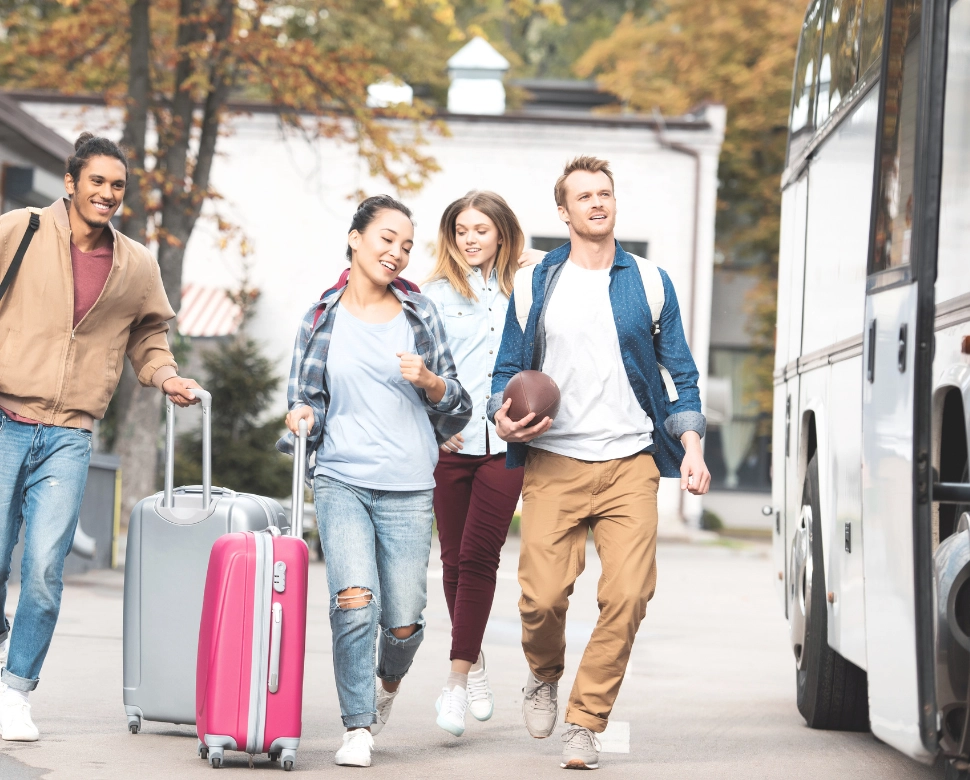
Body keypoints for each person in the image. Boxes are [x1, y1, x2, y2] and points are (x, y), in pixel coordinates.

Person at [487, 155, 711, 770]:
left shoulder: (651, 281)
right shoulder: (535, 283)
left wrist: (690, 446)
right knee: (541, 599)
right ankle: (543, 673)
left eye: (605, 193)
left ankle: (586, 720)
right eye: (583, 196)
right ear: (563, 211)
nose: (596, 203)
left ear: (614, 203)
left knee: (631, 593)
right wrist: (500, 416)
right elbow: (506, 371)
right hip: (554, 460)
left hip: (630, 461)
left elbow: (682, 376)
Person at [0, 133, 201, 742]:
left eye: (117, 185)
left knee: (42, 570)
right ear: (70, 181)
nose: (108, 194)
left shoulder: (134, 263)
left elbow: (149, 336)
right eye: (97, 182)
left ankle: (15, 692)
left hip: (70, 434)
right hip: (5, 419)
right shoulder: (20, 229)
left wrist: (166, 376)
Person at [279, 195, 472, 768]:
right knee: (354, 600)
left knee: (405, 621)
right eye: (387, 238)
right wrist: (300, 415)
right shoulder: (320, 317)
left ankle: (385, 684)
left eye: (407, 246)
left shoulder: (420, 315)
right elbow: (303, 397)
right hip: (341, 479)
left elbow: (457, 407)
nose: (397, 252)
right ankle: (357, 725)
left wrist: (432, 384)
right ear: (356, 238)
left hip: (410, 485)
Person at [422, 191, 541, 736]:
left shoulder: (528, 287)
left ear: (501, 234)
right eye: (461, 230)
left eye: (481, 229)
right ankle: (474, 662)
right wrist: (434, 427)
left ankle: (454, 680)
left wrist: (537, 257)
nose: (470, 239)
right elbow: (420, 372)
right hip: (451, 444)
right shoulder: (433, 296)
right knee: (451, 560)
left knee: (478, 558)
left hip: (506, 444)